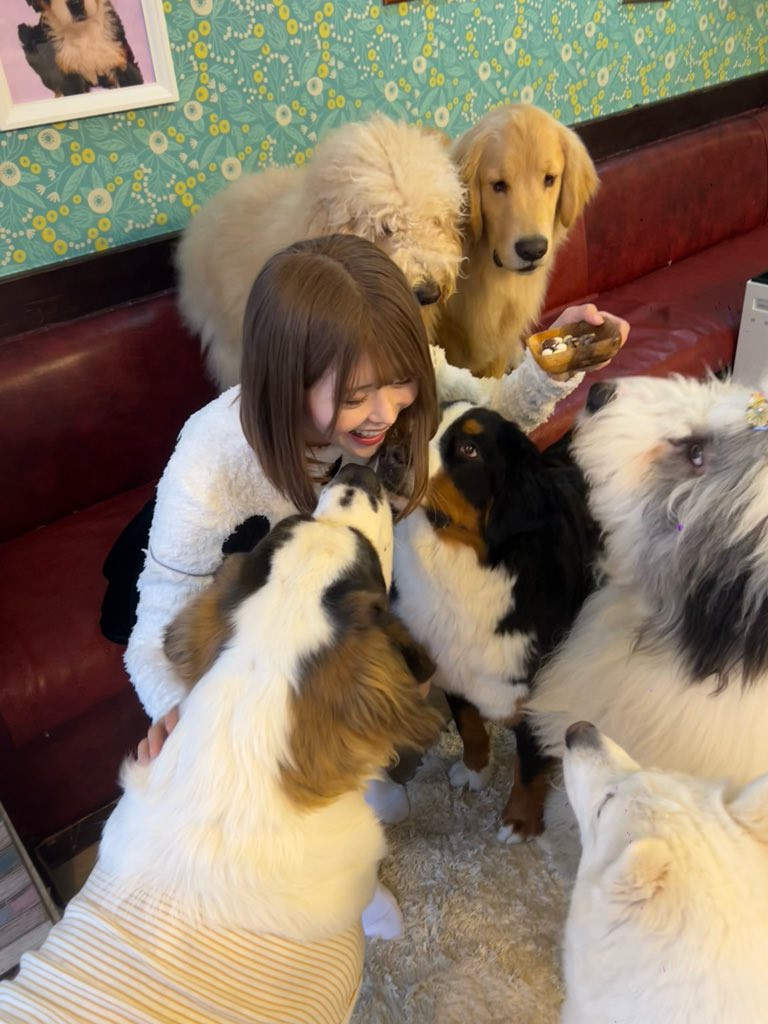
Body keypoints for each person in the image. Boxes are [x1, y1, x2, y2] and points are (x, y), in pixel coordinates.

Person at [125, 233, 629, 938]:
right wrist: (187, 718)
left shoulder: (398, 392)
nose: (387, 414)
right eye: (355, 396)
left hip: (355, 600)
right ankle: (345, 876)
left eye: (401, 382)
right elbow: (156, 632)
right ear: (284, 379)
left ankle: (367, 783)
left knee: (384, 715)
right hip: (263, 637)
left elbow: (491, 416)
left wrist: (552, 362)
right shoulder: (209, 464)